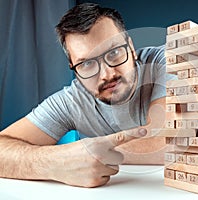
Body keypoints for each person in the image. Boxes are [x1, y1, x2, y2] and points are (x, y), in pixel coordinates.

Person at [0, 3, 174, 188]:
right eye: (87, 64)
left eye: (114, 53)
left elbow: (171, 140)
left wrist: (91, 153)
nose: (107, 74)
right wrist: (57, 161)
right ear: (73, 68)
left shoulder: (168, 60)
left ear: (130, 47)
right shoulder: (71, 101)